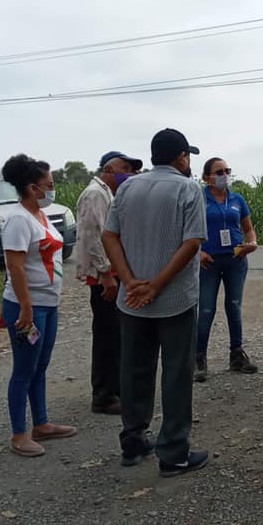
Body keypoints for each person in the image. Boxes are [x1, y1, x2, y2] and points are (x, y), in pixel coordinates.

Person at [102, 128, 209, 477]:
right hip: (175, 299)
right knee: (176, 373)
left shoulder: (128, 187)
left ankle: (133, 442)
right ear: (182, 157)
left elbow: (109, 234)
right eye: (187, 156)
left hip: (132, 299)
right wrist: (158, 286)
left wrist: (129, 280)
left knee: (134, 369)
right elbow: (192, 243)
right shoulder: (188, 189)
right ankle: (174, 453)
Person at [0, 154, 77, 458]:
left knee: (40, 365)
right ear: (33, 188)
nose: (52, 189)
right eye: (50, 184)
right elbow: (15, 267)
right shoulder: (18, 220)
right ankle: (19, 434)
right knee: (24, 369)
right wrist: (25, 307)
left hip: (47, 304)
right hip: (29, 307)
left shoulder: (39, 216)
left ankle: (41, 423)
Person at [76, 150, 143, 414]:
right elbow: (93, 236)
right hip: (105, 277)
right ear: (108, 170)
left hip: (113, 274)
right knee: (107, 335)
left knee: (116, 334)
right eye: (124, 168)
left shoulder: (110, 194)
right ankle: (103, 395)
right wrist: (106, 274)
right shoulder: (95, 194)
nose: (129, 174)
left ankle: (115, 388)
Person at [195, 157, 259, 382]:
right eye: (219, 172)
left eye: (227, 171)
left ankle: (237, 355)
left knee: (234, 306)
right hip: (208, 262)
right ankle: (198, 358)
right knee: (206, 309)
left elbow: (248, 229)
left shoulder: (237, 199)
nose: (225, 175)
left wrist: (252, 243)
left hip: (236, 260)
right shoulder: (199, 200)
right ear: (207, 177)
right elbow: (187, 229)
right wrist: (198, 252)